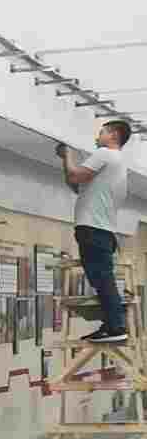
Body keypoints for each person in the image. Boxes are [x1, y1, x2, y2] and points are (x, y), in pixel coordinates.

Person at [60, 120, 133, 340]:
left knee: (102, 279)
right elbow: (74, 183)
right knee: (101, 279)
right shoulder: (118, 164)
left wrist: (68, 154)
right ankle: (112, 324)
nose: (97, 137)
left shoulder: (105, 154)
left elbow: (75, 176)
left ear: (114, 135)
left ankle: (116, 327)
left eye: (101, 132)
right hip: (103, 230)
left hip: (93, 228)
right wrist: (65, 160)